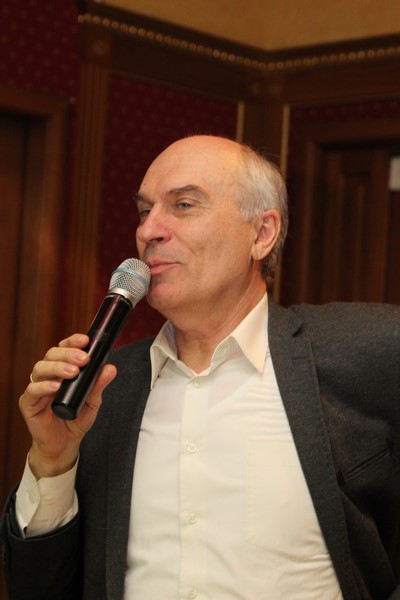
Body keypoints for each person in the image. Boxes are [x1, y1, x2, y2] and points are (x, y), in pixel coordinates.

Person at [1, 135, 399, 600]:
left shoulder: (364, 350)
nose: (149, 230)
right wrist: (52, 461)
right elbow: (38, 589)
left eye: (184, 205)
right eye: (144, 211)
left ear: (262, 234)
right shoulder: (102, 389)